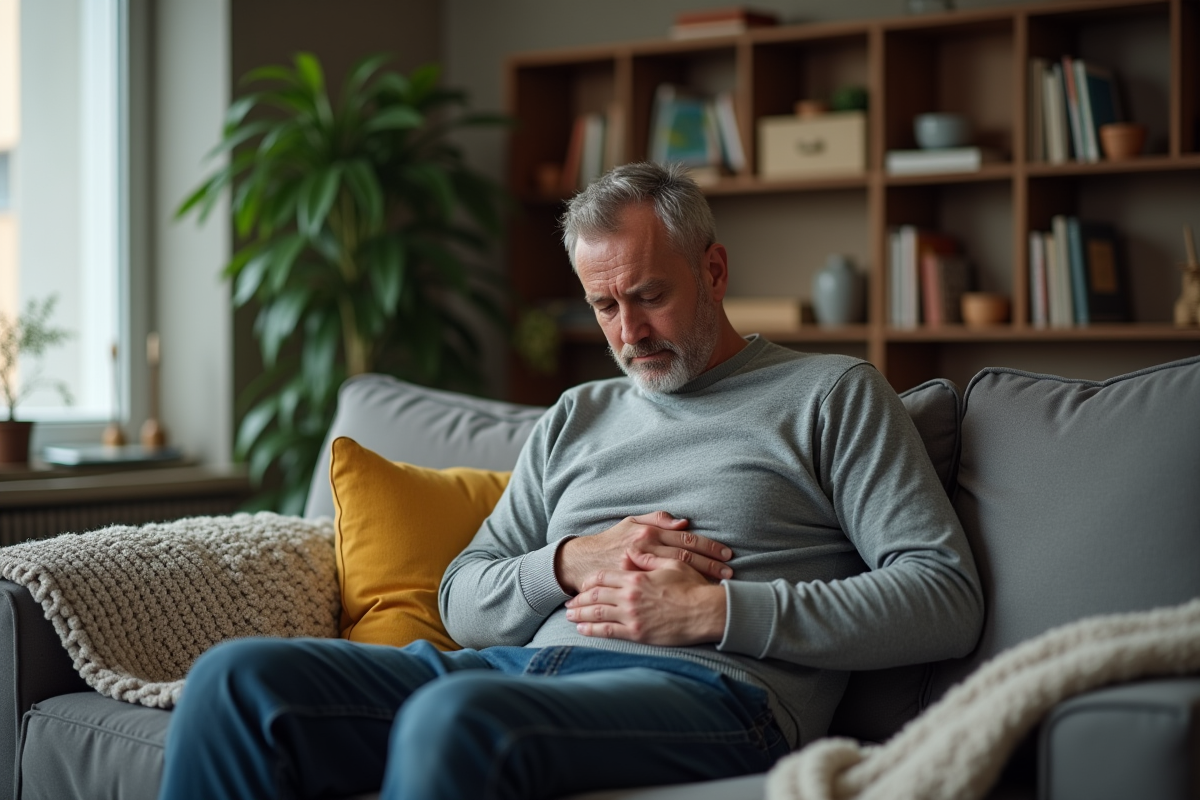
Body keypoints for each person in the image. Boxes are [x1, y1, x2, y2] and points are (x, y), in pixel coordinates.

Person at [158, 162, 983, 800]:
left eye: (650, 296)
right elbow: (461, 597)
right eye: (604, 307)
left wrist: (716, 610)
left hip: (715, 697)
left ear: (716, 270)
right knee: (236, 681)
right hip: (520, 677)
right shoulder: (575, 416)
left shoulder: (831, 395)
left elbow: (944, 596)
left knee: (458, 722)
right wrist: (568, 563)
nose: (630, 333)